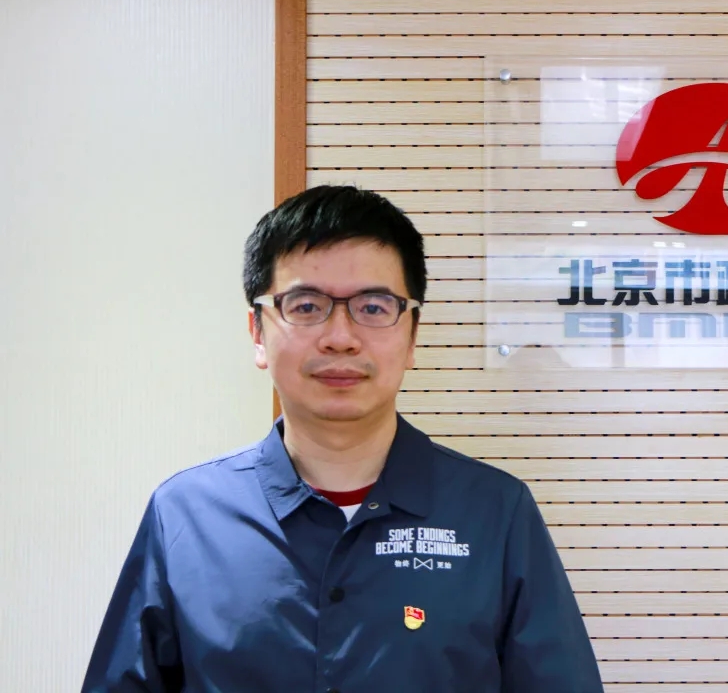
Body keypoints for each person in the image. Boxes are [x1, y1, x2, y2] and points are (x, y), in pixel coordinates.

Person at [82, 185, 605, 692]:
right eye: (306, 306)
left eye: (373, 307)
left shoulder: (495, 512)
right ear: (258, 333)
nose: (340, 338)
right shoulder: (185, 514)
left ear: (413, 335)